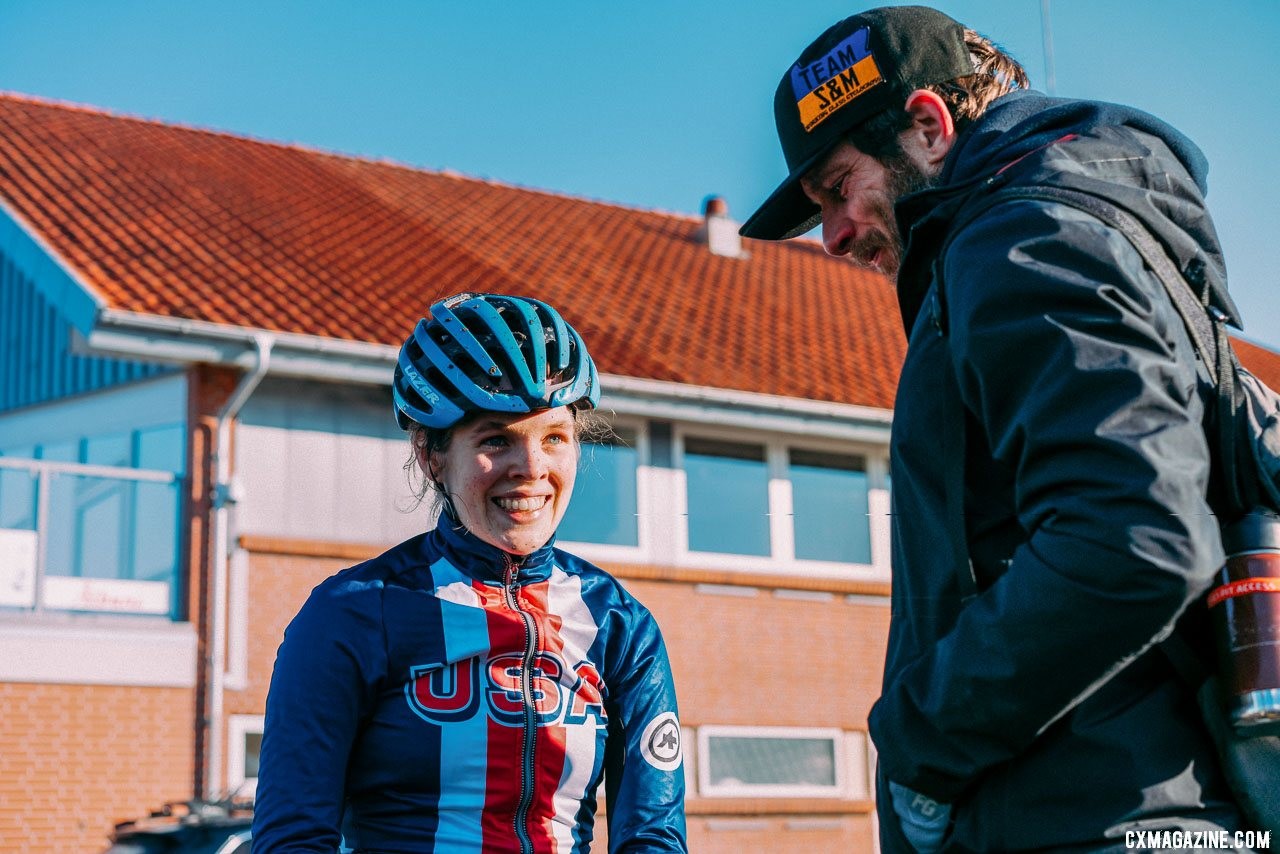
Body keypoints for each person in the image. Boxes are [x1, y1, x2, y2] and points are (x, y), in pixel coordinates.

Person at [741, 6, 1252, 852]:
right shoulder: (1090, 226)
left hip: (1081, 820)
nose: (831, 237)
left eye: (838, 190)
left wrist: (918, 742)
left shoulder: (1020, 236)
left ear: (929, 129)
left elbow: (1135, 535)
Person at [252, 292, 688, 853]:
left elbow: (652, 836)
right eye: (495, 440)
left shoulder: (620, 624)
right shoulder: (353, 612)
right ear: (432, 455)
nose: (531, 470)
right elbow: (293, 838)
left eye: (553, 437)